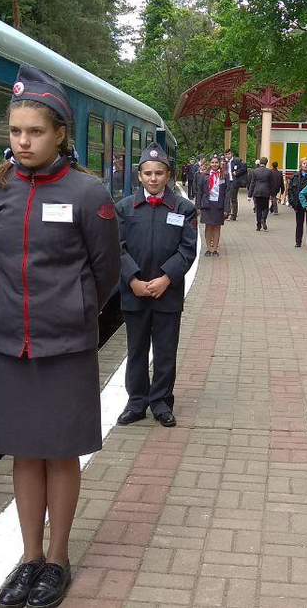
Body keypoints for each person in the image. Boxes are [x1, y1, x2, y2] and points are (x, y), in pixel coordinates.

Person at [0, 66, 121, 608]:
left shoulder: (88, 193)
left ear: (60, 132)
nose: (22, 141)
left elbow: (105, 270)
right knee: (23, 453)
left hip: (65, 345)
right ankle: (28, 558)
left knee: (60, 453)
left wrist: (74, 308)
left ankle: (58, 560)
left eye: (34, 132)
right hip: (10, 342)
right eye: (15, 132)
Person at [116, 143, 197, 429]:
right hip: (134, 293)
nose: (153, 178)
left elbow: (188, 249)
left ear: (168, 175)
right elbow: (117, 247)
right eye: (147, 173)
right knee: (136, 349)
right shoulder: (125, 208)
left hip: (168, 293)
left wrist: (166, 278)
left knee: (165, 350)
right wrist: (132, 280)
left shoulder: (183, 208)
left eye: (159, 173)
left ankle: (161, 402)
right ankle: (136, 401)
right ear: (139, 176)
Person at [195, 155, 227, 257]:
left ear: (219, 163)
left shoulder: (224, 175)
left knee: (217, 227)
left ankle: (215, 249)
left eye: (216, 162)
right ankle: (209, 248)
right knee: (208, 227)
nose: (214, 164)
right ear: (210, 164)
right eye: (212, 162)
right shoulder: (204, 175)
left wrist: (227, 208)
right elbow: (199, 191)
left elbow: (227, 193)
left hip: (218, 204)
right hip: (207, 204)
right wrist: (198, 206)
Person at [287, 160, 307, 248]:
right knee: (299, 223)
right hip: (298, 203)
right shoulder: (295, 176)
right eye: (304, 163)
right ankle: (298, 242)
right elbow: (290, 189)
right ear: (301, 165)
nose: (306, 165)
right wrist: (292, 201)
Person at [247, 156, 275, 231]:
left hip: (257, 192)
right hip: (266, 192)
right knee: (265, 207)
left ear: (260, 163)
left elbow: (252, 183)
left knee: (258, 208)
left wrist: (249, 195)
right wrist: (273, 194)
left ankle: (258, 225)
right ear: (266, 163)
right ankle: (263, 219)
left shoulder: (255, 171)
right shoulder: (269, 171)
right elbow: (272, 184)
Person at [224, 149, 246, 220]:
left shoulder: (237, 160)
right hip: (227, 182)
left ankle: (234, 215)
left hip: (234, 181)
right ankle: (227, 213)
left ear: (232, 154)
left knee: (233, 198)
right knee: (227, 197)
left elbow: (244, 168)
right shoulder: (225, 162)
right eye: (227, 154)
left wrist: (237, 172)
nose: (228, 155)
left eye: (229, 154)